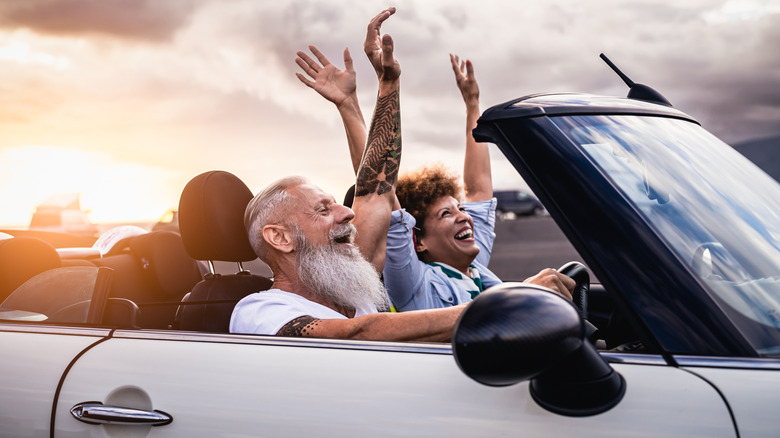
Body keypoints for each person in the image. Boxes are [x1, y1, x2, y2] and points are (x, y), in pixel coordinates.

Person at [294, 21, 574, 311]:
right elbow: (378, 186)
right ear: (419, 242)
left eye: (459, 208)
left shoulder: (475, 266)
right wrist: (351, 104)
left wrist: (473, 105)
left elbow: (478, 189)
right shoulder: (414, 282)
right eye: (445, 214)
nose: (463, 217)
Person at [230, 7, 464, 342]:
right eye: (323, 210)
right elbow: (359, 334)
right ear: (280, 237)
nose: (348, 210)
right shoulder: (260, 312)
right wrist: (497, 306)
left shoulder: (350, 288)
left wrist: (387, 85)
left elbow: (377, 191)